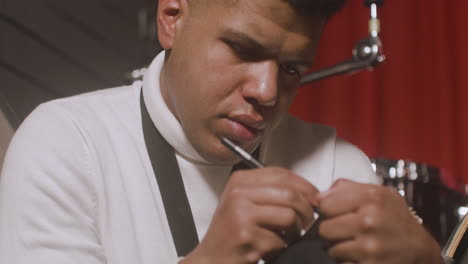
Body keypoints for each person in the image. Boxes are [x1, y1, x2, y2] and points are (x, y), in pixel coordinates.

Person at [0, 0, 443, 263]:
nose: (267, 93)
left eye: (292, 69)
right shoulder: (63, 144)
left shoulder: (338, 166)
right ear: (172, 16)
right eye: (243, 49)